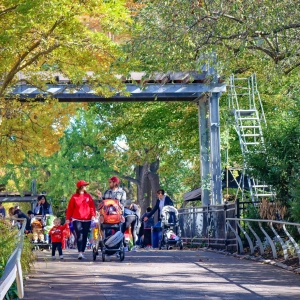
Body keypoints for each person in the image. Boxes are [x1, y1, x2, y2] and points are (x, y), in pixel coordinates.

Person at [66, 180, 96, 260]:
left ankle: (82, 252)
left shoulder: (88, 196)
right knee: (79, 235)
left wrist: (93, 215)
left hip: (87, 219)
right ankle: (79, 252)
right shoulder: (74, 197)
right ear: (81, 187)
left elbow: (92, 206)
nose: (86, 187)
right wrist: (68, 218)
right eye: (84, 185)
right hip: (76, 219)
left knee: (85, 235)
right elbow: (70, 208)